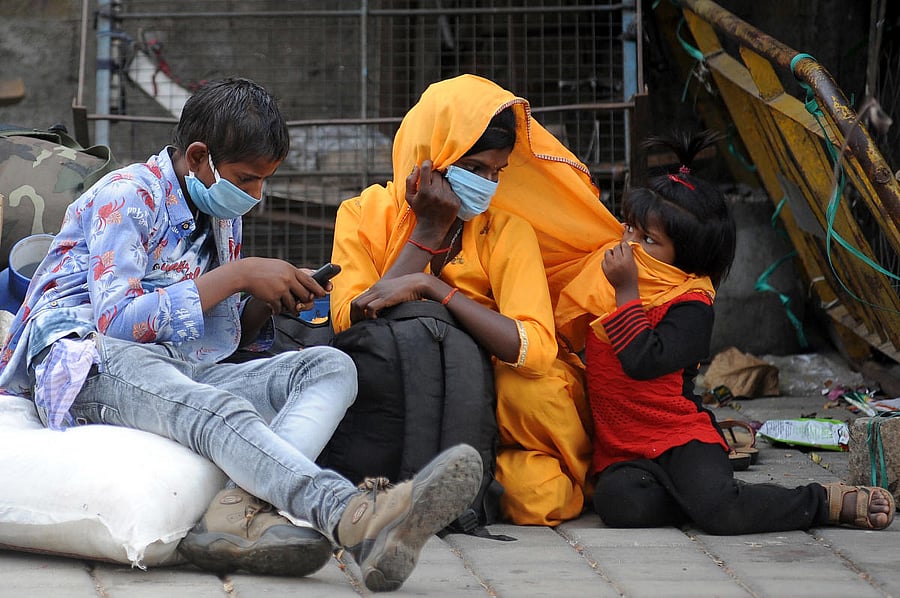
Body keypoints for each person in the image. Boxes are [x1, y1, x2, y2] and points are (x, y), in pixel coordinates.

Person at [0, 77, 483, 592]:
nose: (254, 195)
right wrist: (238, 275)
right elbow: (115, 323)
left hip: (176, 366)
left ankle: (238, 508)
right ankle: (355, 516)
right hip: (85, 359)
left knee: (330, 366)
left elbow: (220, 337)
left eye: (263, 182)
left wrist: (264, 301)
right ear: (199, 156)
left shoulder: (218, 214)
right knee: (218, 410)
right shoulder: (126, 196)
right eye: (246, 179)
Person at [555, 130, 895, 534]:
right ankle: (702, 497)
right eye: (629, 229)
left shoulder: (690, 304)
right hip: (624, 449)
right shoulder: (604, 282)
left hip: (681, 437)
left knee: (721, 514)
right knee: (618, 506)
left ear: (687, 259)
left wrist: (626, 290)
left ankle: (821, 502)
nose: (630, 244)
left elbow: (643, 361)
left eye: (648, 240)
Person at [329, 74, 622, 526]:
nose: (487, 184)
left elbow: (537, 347)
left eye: (497, 172)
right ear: (431, 160)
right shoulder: (362, 214)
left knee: (538, 465)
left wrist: (437, 292)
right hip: (405, 394)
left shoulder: (506, 230)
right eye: (475, 168)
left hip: (492, 405)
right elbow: (353, 322)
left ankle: (510, 473)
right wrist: (426, 235)